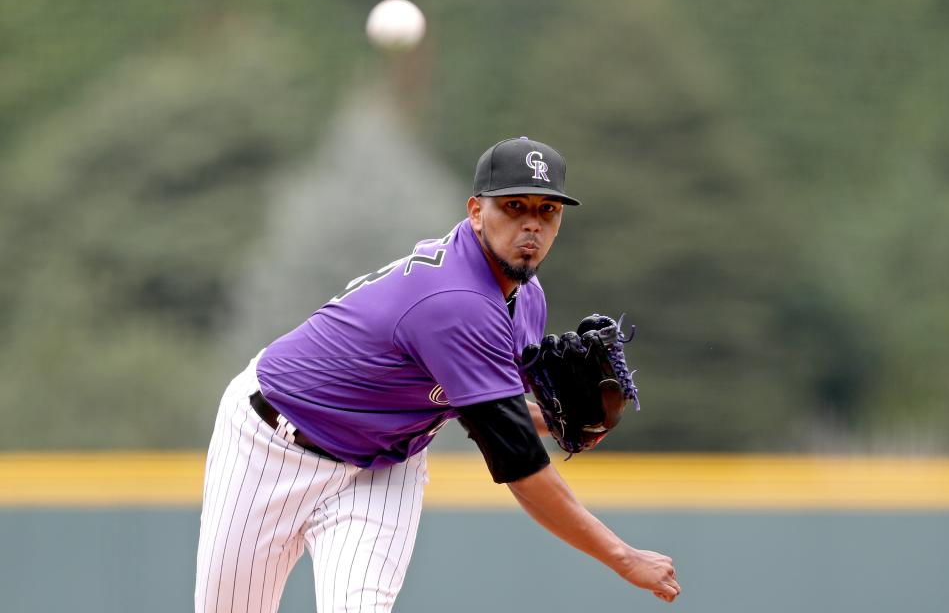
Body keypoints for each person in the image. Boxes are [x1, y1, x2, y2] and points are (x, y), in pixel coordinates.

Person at [194, 137, 681, 612]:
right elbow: (521, 467)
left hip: (383, 467)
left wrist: (552, 421)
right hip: (271, 444)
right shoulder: (456, 304)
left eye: (547, 210)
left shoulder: (525, 297)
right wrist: (623, 557)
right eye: (514, 206)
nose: (531, 224)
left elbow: (483, 409)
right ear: (476, 211)